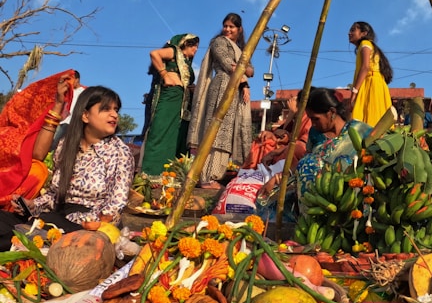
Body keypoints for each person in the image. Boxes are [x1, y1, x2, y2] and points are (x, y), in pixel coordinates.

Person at [0, 86, 135, 251]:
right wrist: (32, 205)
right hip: (57, 216)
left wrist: (78, 220)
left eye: (116, 109)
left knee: (23, 234)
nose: (114, 114)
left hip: (90, 227)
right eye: (106, 109)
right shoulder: (65, 146)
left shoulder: (120, 153)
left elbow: (114, 207)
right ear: (85, 115)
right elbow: (54, 195)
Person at [259, 88, 371, 201]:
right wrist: (278, 178)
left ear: (331, 112)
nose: (313, 123)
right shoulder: (314, 133)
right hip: (315, 197)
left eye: (316, 119)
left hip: (352, 194)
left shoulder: (359, 130)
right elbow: (303, 164)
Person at [188, 13, 254, 189]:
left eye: (231, 27)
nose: (227, 29)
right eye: (225, 26)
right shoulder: (219, 42)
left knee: (227, 134)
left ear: (239, 30)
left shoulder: (240, 48)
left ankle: (215, 174)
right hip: (222, 86)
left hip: (234, 90)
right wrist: (244, 79)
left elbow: (251, 70)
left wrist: (244, 80)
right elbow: (229, 65)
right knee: (216, 131)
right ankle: (207, 177)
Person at [0, 71, 77, 212]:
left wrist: (59, 105)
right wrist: (58, 105)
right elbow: (39, 154)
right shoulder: (8, 133)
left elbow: (38, 154)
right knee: (38, 171)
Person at [140, 34, 199, 176]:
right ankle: (152, 173)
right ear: (185, 44)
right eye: (193, 45)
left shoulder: (186, 62)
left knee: (175, 135)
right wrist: (165, 75)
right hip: (169, 96)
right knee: (162, 129)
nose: (196, 49)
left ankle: (170, 174)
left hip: (181, 102)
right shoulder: (174, 51)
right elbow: (154, 54)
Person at [348, 21, 393, 127]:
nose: (349, 33)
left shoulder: (365, 44)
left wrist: (354, 92)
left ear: (364, 33)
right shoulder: (366, 46)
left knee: (369, 119)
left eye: (353, 30)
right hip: (375, 84)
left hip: (371, 84)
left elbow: (365, 67)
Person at [51, 71, 85, 151]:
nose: (68, 82)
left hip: (71, 123)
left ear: (77, 80)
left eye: (70, 79)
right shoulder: (65, 92)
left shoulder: (84, 93)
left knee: (57, 146)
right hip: (61, 122)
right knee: (53, 145)